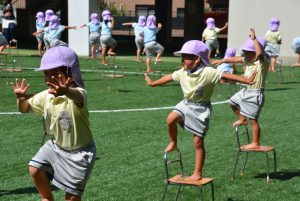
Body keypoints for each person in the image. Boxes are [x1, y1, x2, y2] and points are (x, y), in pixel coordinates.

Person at [144, 40, 256, 180]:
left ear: (197, 59)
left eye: (187, 57)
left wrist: (246, 81)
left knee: (198, 143)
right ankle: (173, 142)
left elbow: (225, 76)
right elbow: (169, 77)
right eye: (182, 57)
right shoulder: (183, 71)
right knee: (170, 119)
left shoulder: (208, 72)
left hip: (200, 109)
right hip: (186, 104)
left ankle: (197, 173)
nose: (183, 60)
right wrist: (153, 84)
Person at [11, 45, 96, 201]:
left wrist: (66, 91)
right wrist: (21, 99)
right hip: (57, 147)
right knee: (34, 169)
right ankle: (47, 198)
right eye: (46, 74)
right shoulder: (46, 96)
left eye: (55, 74)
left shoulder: (79, 93)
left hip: (80, 153)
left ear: (70, 73)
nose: (49, 78)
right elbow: (25, 108)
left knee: (71, 198)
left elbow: (77, 96)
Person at [212, 29, 270, 150]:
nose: (246, 55)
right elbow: (234, 59)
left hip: (255, 93)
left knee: (253, 119)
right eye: (245, 52)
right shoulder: (246, 60)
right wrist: (222, 60)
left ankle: (255, 142)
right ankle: (242, 119)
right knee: (232, 102)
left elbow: (259, 54)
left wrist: (254, 40)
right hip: (246, 91)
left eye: (249, 53)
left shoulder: (262, 61)